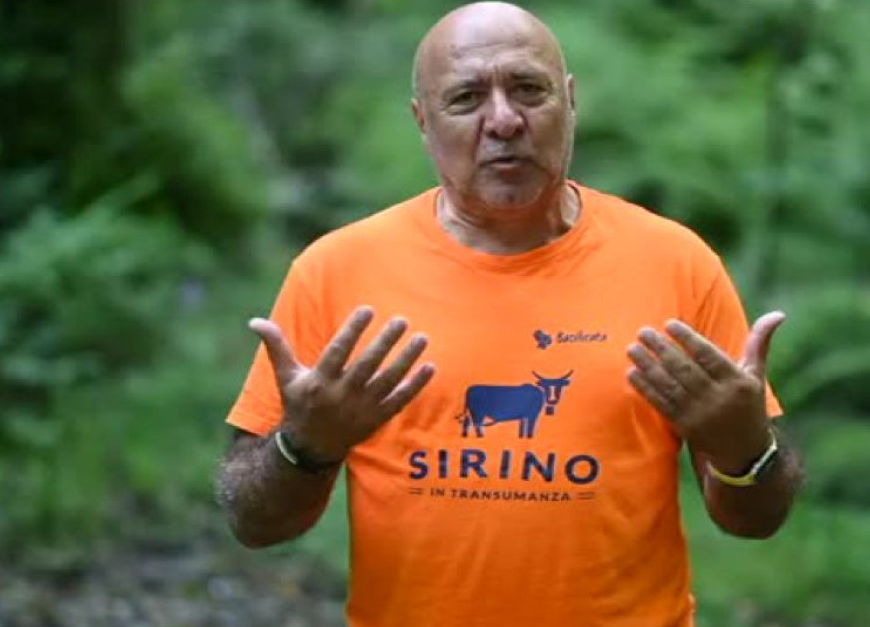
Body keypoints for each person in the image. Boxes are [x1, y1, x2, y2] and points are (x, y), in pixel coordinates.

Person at [216, 2, 803, 625]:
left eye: (528, 89)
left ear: (570, 101)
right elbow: (253, 522)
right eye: (466, 98)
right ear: (423, 121)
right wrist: (305, 447)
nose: (503, 120)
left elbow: (756, 519)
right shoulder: (337, 272)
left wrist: (748, 452)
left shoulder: (676, 264)